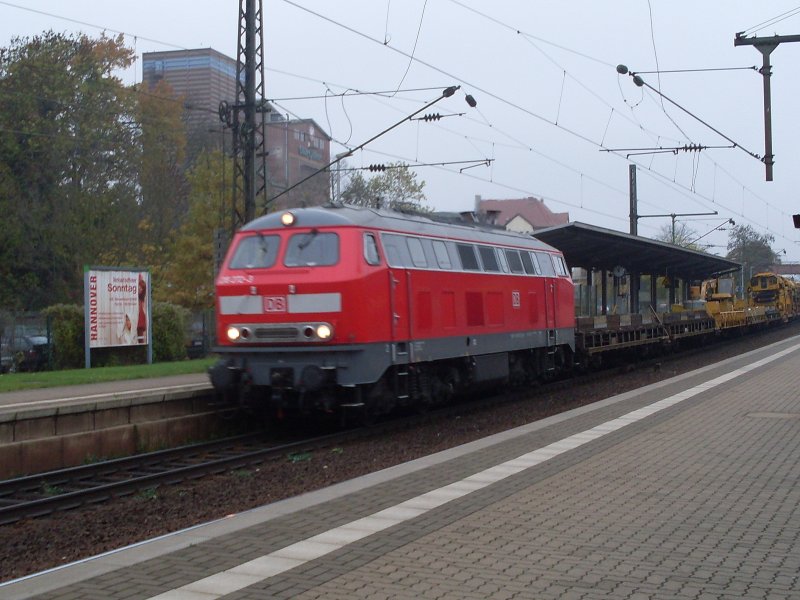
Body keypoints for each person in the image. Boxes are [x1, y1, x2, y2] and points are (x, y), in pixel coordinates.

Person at [137, 274, 147, 344]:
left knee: (140, 338)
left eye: (142, 288)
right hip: (136, 318)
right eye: (139, 287)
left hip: (140, 320)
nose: (140, 289)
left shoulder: (141, 299)